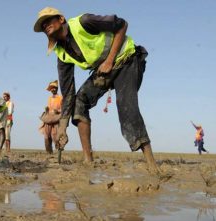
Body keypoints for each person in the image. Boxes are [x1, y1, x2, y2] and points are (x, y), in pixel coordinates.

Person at [34, 7, 167, 178]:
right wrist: (62, 127)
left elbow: (122, 25)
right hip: (105, 71)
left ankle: (151, 165)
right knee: (79, 102)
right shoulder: (61, 54)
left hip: (127, 59)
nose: (45, 26)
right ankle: (88, 160)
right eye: (42, 25)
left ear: (60, 19)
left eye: (48, 21)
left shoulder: (84, 22)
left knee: (126, 106)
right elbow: (68, 92)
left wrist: (110, 60)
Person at [40, 80, 62, 154]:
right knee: (47, 136)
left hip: (56, 118)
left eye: (54, 88)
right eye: (51, 88)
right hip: (49, 118)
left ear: (57, 89)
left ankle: (58, 151)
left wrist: (58, 111)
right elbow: (49, 108)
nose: (53, 89)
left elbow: (63, 109)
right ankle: (49, 152)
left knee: (55, 136)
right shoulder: (49, 98)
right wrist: (46, 109)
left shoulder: (60, 98)